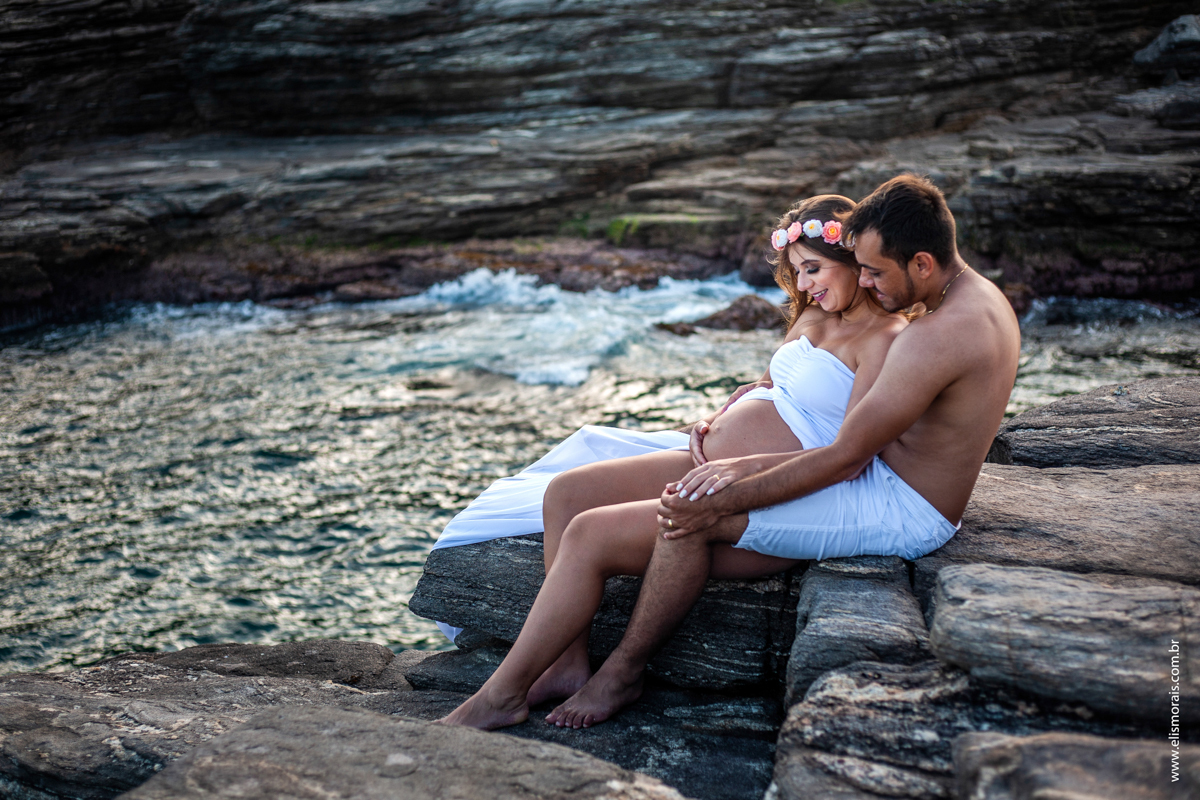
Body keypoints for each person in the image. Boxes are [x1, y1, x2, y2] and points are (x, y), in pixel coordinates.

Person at [437, 192, 915, 729]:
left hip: (770, 492)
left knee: (589, 533)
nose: (803, 285)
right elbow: (777, 385)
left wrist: (741, 460)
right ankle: (566, 664)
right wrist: (727, 412)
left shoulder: (885, 339)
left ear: (853, 258)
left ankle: (502, 696)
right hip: (706, 463)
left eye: (813, 269)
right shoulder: (816, 314)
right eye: (797, 272)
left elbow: (850, 449)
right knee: (566, 493)